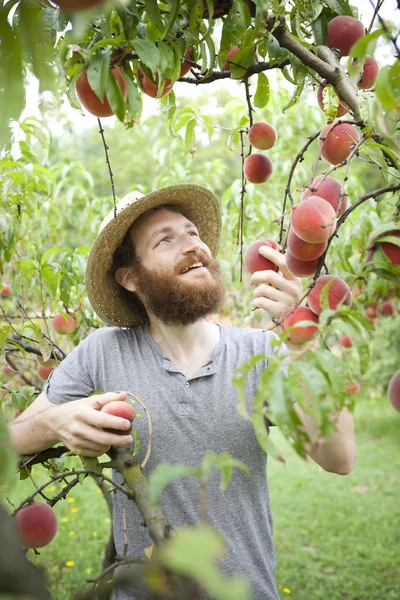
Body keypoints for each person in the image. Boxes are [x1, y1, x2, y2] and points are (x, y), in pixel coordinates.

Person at [9, 184, 357, 600]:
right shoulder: (102, 353)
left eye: (193, 233)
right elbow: (11, 439)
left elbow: (340, 457)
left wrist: (306, 343)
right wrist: (55, 422)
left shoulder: (263, 353)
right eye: (166, 239)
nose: (193, 245)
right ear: (131, 277)